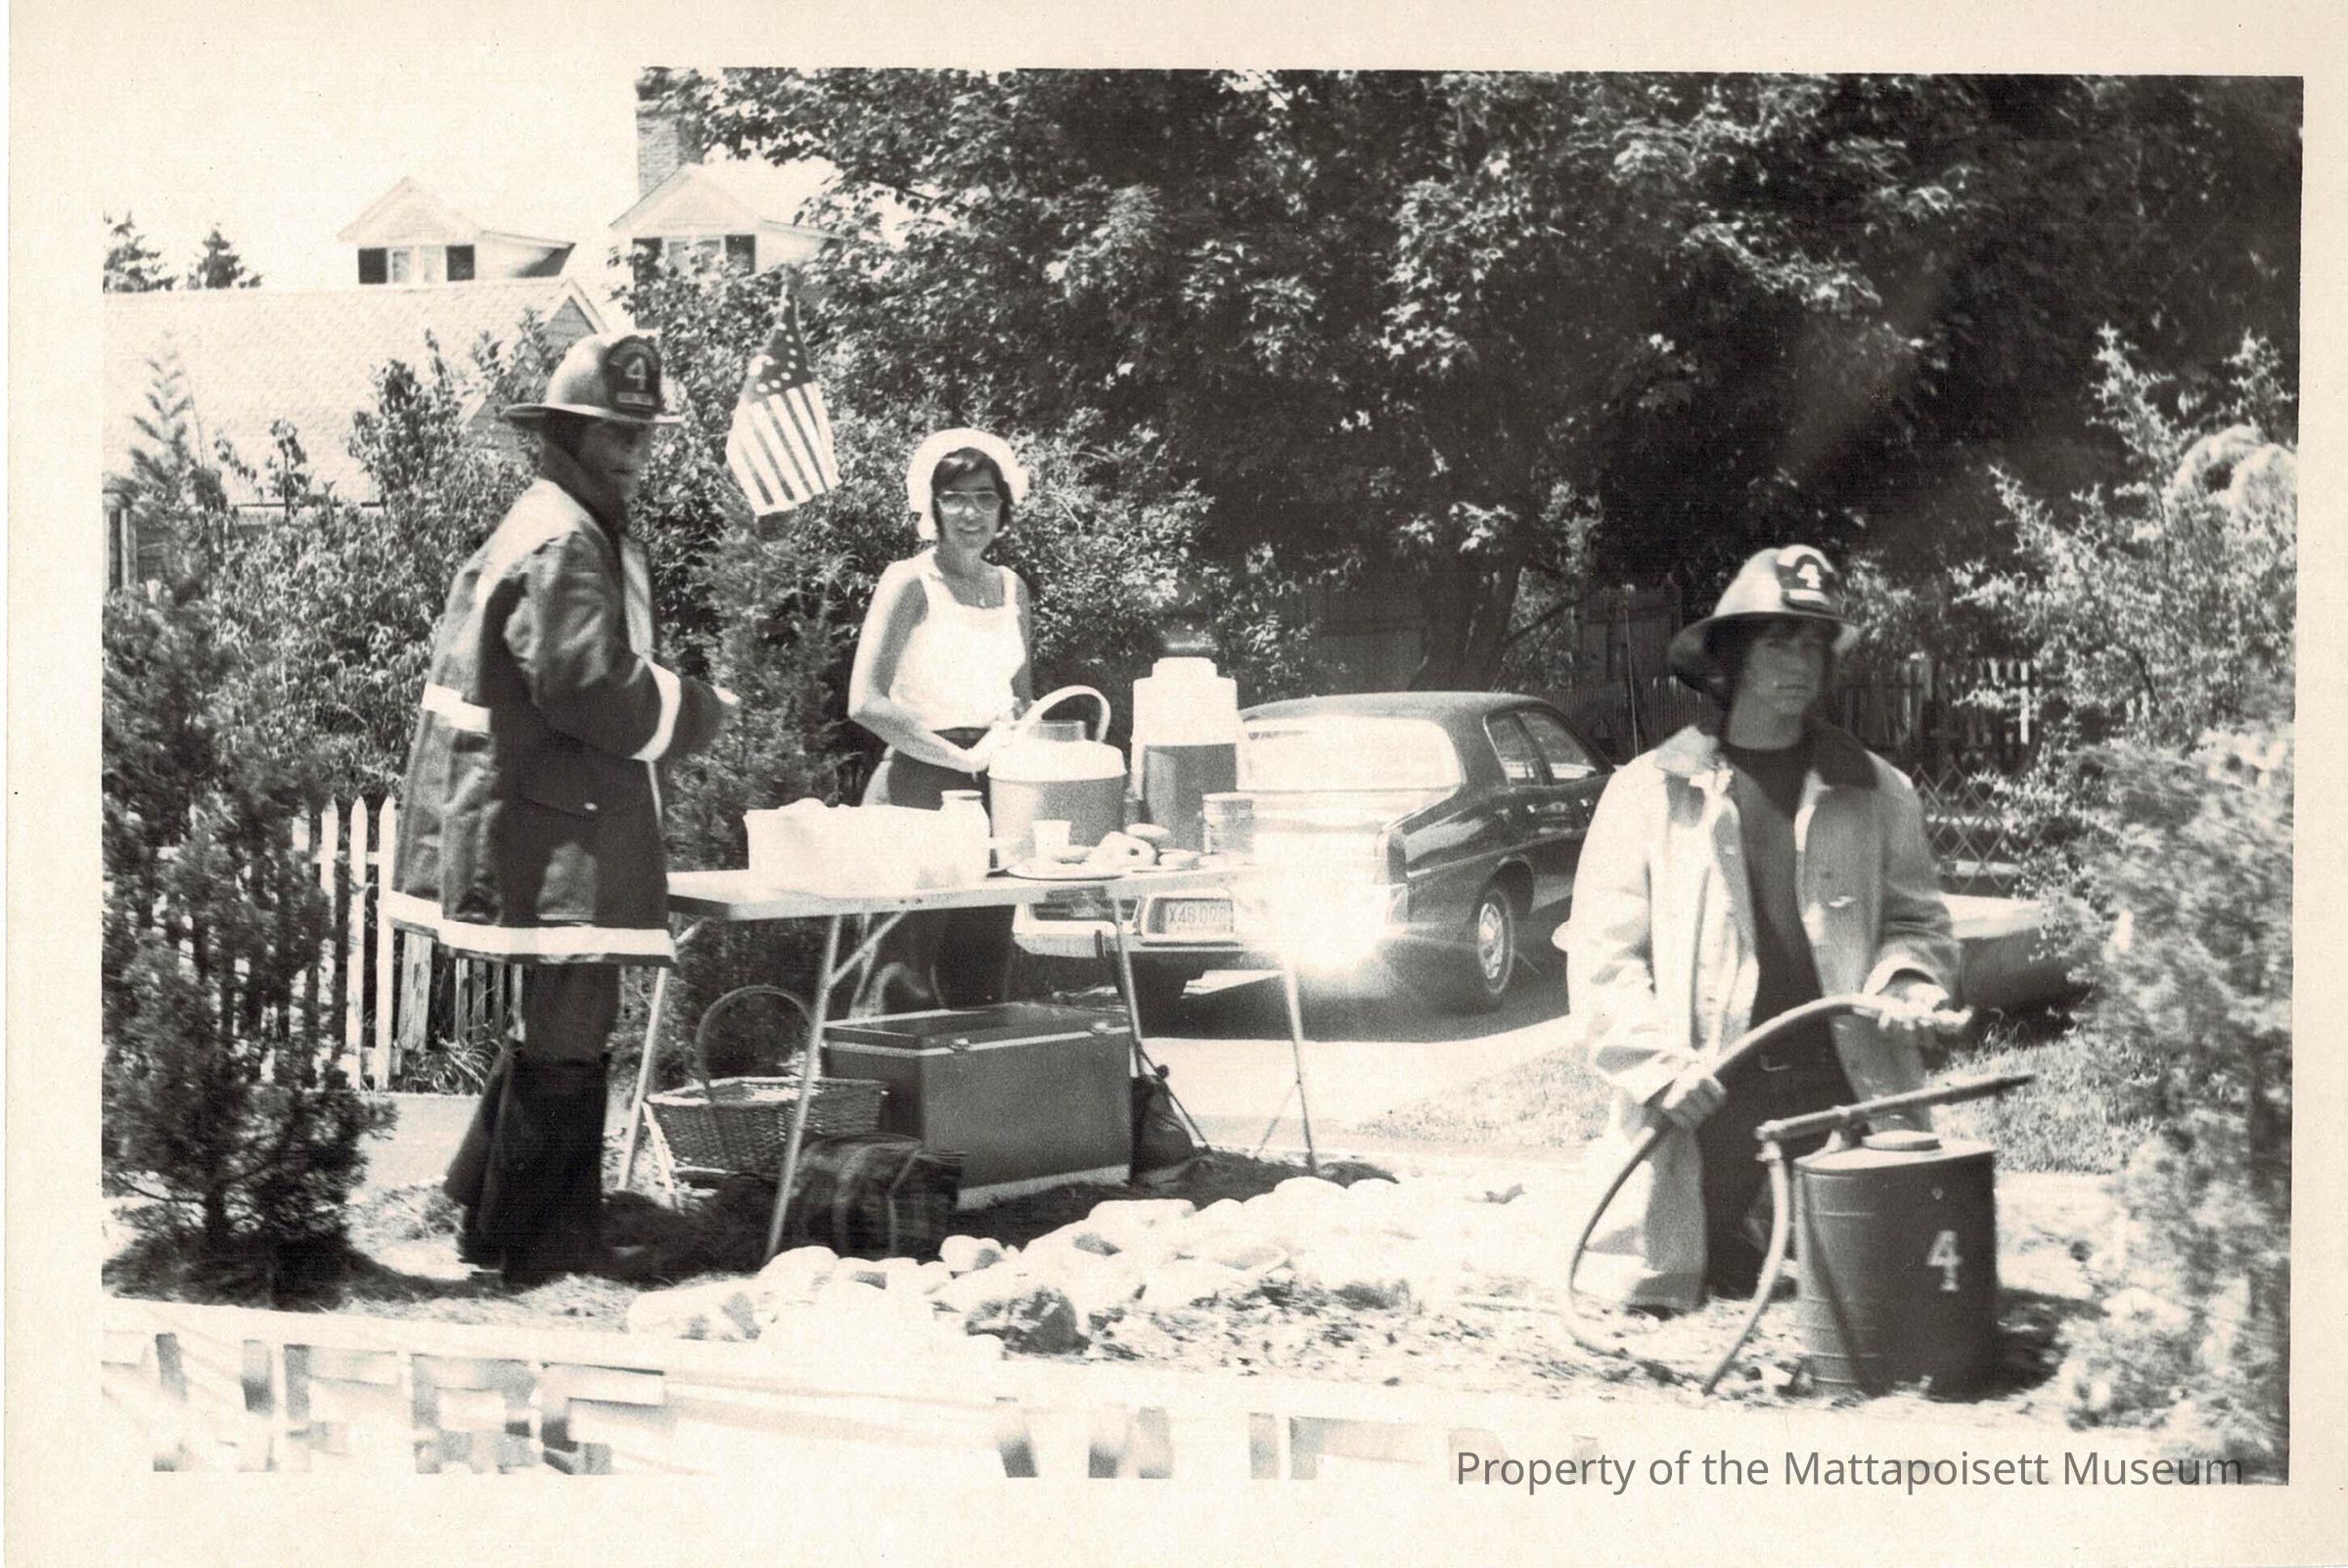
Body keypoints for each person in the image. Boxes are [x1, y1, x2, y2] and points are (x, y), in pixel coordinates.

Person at [388, 333, 736, 1286]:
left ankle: (491, 1218)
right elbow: (585, 685)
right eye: (615, 432)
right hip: (553, 822)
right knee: (574, 1019)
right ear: (565, 433)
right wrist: (696, 709)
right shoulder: (564, 537)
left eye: (643, 434)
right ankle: (547, 1245)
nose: (635, 451)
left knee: (557, 1020)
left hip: (540, 807)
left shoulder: (557, 519)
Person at [1562, 545, 1964, 1314]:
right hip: (1703, 1113)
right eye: (1779, 641)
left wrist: (1910, 980)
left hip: (1846, 1108)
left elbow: (1919, 923)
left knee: (1880, 1308)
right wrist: (1659, 1069)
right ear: (1732, 657)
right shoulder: (1649, 793)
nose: (1801, 663)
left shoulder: (1877, 790)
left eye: (1815, 644)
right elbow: (1604, 960)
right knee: (1672, 1292)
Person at [845, 427, 1036, 1008]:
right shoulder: (910, 581)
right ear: (931, 506)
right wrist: (955, 757)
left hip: (993, 793)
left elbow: (1021, 700)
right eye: (954, 497)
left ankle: (973, 1073)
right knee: (897, 976)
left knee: (983, 972)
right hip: (916, 788)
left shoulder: (1012, 589)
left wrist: (1010, 748)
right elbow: (865, 700)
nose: (970, 513)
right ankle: (881, 1072)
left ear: (1003, 507)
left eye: (985, 498)